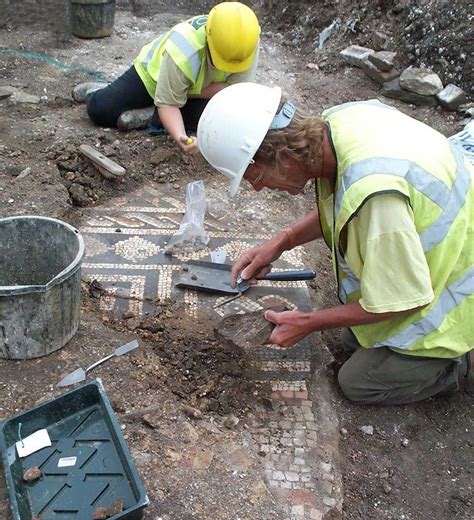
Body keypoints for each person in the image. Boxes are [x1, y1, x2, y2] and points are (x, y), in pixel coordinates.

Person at [197, 82, 473, 405]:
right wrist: (283, 241)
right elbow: (343, 205)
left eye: (256, 178)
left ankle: (459, 364)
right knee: (351, 337)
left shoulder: (376, 198)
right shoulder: (336, 126)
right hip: (440, 248)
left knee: (356, 382)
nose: (259, 190)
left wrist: (309, 323)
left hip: (456, 293)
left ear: (282, 155)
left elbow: (402, 300)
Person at [84, 2, 260, 154]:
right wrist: (180, 137)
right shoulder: (183, 50)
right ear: (209, 37)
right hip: (154, 79)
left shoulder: (246, 43)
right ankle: (101, 90)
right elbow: (169, 103)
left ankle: (152, 114)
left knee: (212, 124)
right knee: (100, 109)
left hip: (196, 90)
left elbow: (236, 93)